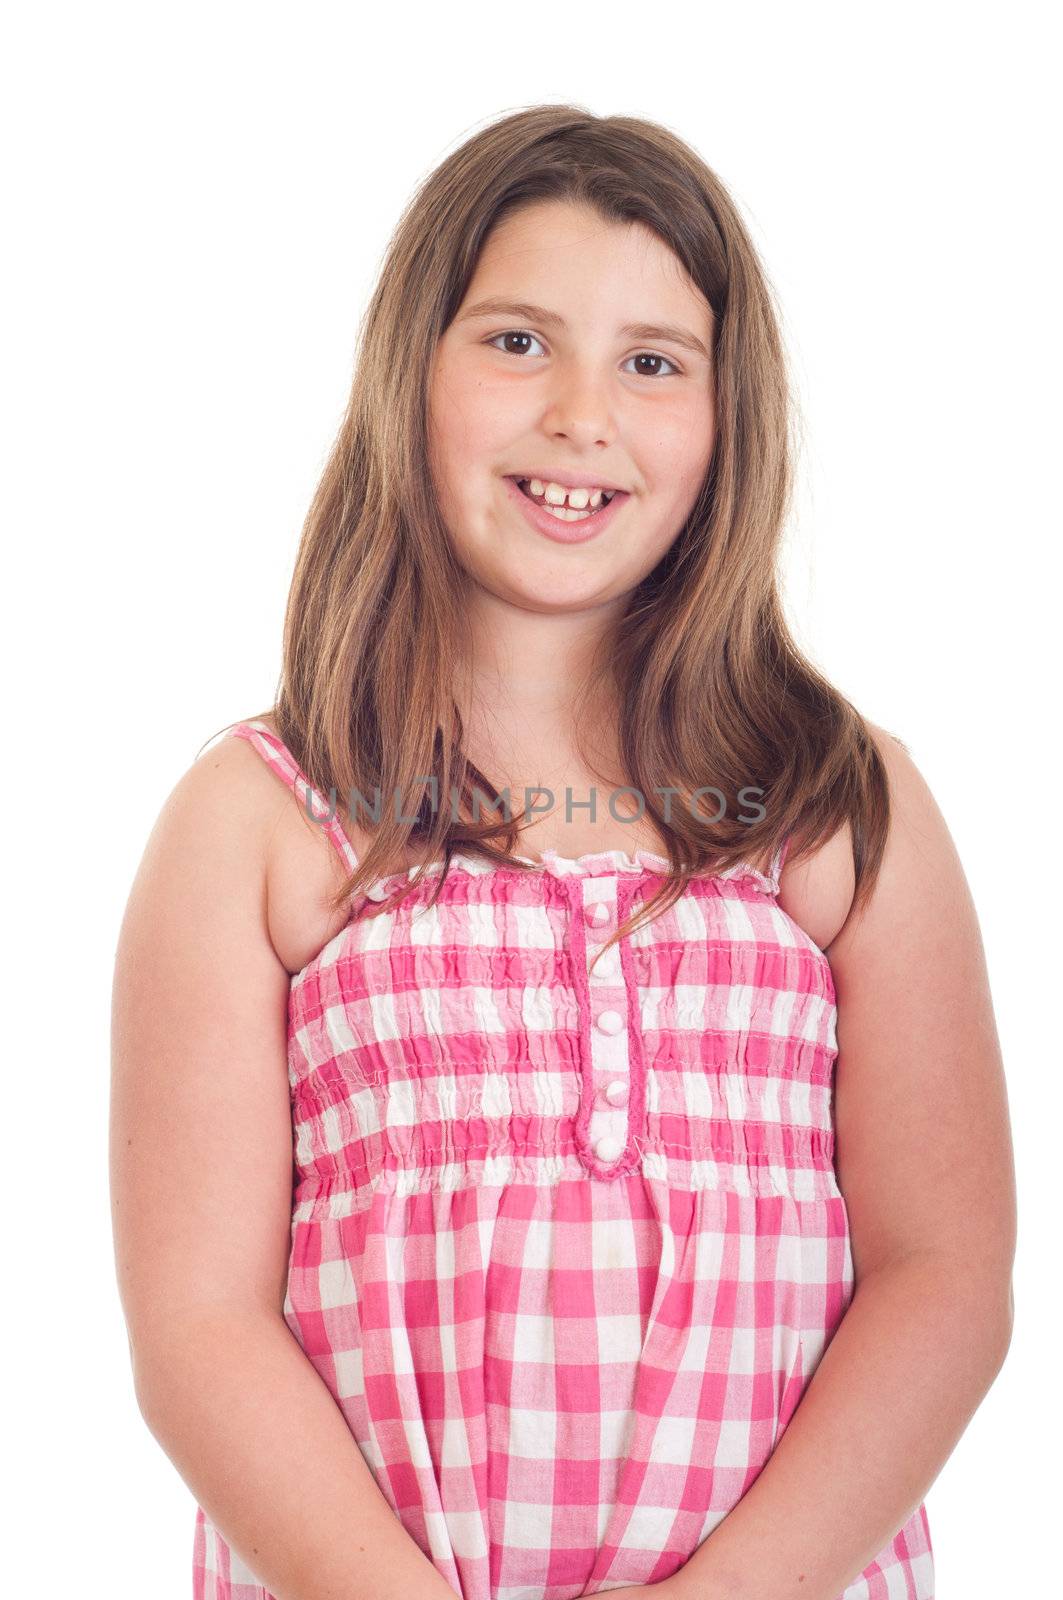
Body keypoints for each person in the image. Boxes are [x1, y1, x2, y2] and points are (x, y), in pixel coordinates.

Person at [110, 105, 1016, 1600]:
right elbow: (199, 1329)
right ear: (414, 370)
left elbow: (945, 1279)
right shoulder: (262, 820)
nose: (583, 414)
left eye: (653, 362)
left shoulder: (836, 810)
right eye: (519, 342)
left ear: (729, 421)